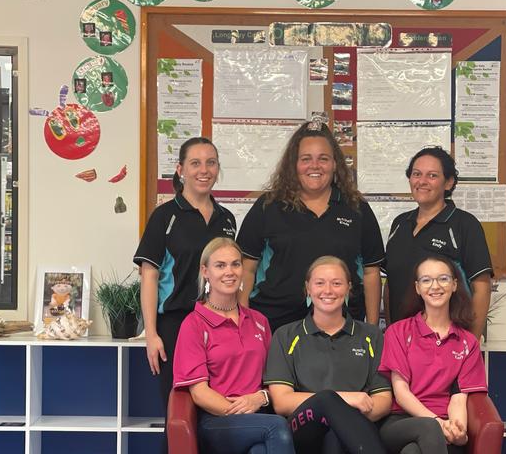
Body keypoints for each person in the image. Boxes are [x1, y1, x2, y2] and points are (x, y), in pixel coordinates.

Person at [133, 137, 236, 450]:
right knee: (180, 414)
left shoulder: (227, 219)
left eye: (211, 162)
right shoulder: (165, 217)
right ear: (180, 170)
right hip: (176, 326)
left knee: (218, 411)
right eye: (195, 163)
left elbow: (232, 275)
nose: (204, 170)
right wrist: (151, 334)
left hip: (217, 325)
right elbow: (149, 276)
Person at [237, 121, 384, 331]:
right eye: (306, 159)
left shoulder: (356, 209)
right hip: (275, 324)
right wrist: (243, 323)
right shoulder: (268, 206)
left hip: (341, 326)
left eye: (323, 159)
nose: (314, 166)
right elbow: (247, 269)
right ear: (293, 165)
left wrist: (371, 329)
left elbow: (371, 272)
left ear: (335, 164)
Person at [173, 238, 294, 454]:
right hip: (218, 420)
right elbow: (200, 393)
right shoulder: (193, 324)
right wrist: (241, 410)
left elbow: (273, 380)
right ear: (205, 271)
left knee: (260, 450)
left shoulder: (259, 321)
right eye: (220, 265)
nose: (230, 271)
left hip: (260, 417)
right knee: (277, 427)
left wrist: (261, 398)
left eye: (235, 264)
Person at [264, 256, 392, 453]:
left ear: (349, 287)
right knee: (325, 400)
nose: (328, 291)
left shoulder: (371, 335)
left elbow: (383, 399)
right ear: (308, 287)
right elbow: (281, 402)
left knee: (335, 436)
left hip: (355, 430)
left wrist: (342, 418)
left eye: (337, 283)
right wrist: (346, 400)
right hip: (303, 430)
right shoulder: (286, 335)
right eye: (320, 283)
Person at [379, 255, 488, 454]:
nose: (435, 286)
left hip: (443, 422)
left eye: (443, 279)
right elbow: (401, 394)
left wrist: (457, 429)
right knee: (428, 428)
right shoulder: (398, 332)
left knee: (412, 452)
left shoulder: (467, 342)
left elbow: (458, 398)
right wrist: (438, 423)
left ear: (454, 284)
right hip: (400, 421)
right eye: (426, 280)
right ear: (417, 288)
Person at [383, 147, 492, 338]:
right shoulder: (399, 224)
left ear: (448, 183)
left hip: (448, 341)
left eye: (432, 175)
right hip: (403, 341)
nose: (422, 181)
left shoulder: (464, 224)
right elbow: (390, 283)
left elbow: (481, 286)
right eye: (416, 174)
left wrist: (470, 344)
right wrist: (392, 335)